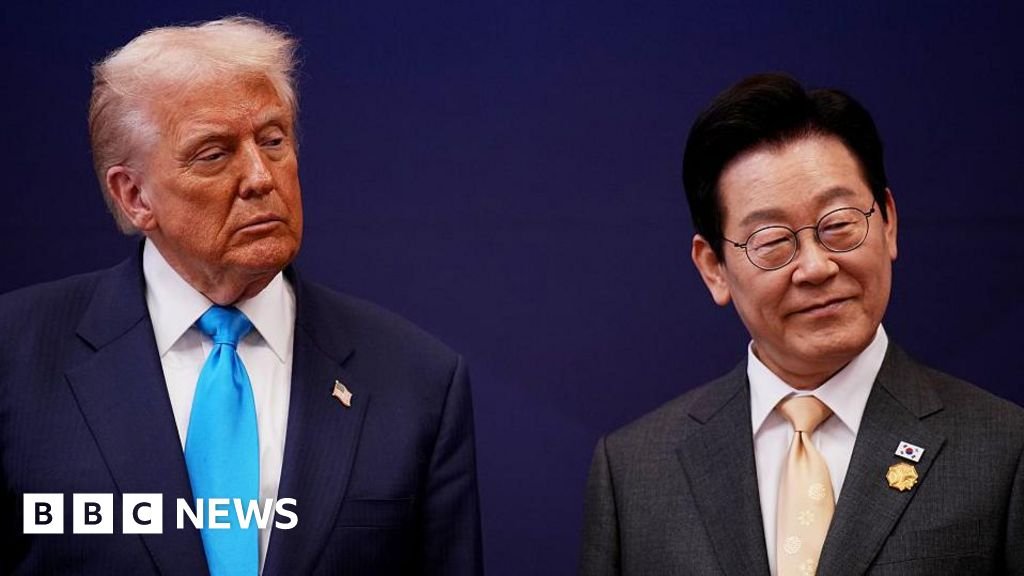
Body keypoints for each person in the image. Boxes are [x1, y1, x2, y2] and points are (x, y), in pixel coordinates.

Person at [0, 17, 482, 576]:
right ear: (134, 196)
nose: (260, 176)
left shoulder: (416, 379)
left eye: (273, 141)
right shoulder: (16, 358)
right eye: (213, 153)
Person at [578, 73, 1024, 575]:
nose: (815, 267)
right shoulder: (633, 472)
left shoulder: (1004, 450)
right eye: (772, 241)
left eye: (839, 225)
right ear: (713, 268)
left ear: (888, 222)